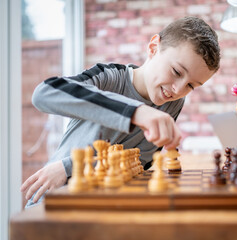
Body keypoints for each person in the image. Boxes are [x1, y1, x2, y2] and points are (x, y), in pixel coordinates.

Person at [21, 16, 221, 207]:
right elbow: (43, 93)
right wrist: (136, 112)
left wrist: (71, 166)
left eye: (191, 86)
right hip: (55, 199)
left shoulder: (173, 103)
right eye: (176, 72)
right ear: (153, 48)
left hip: (104, 206)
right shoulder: (109, 78)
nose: (178, 89)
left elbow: (138, 162)